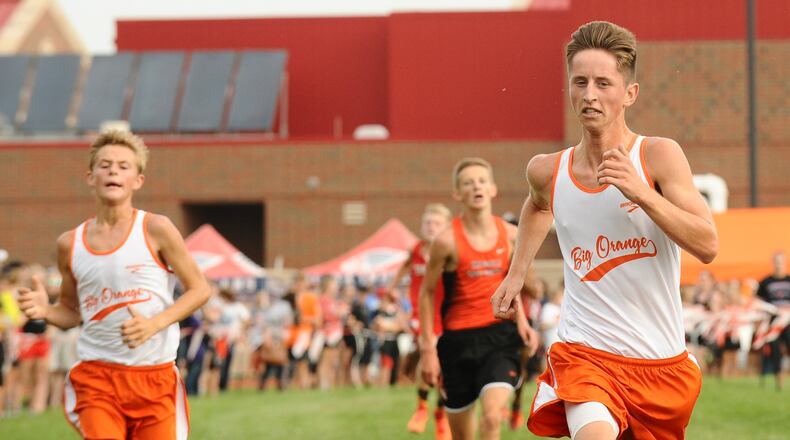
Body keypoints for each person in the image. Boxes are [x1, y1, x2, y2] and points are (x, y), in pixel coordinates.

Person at [491, 21, 719, 440]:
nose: (590, 94)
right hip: (585, 353)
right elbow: (539, 204)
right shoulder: (547, 170)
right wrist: (516, 272)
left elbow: (707, 244)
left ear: (629, 93)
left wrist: (642, 193)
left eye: (603, 83)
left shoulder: (659, 156)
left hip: (660, 366)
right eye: (580, 82)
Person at [18, 129, 211, 439]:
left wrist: (154, 324)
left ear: (137, 180)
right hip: (98, 378)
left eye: (123, 166)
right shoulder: (70, 244)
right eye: (105, 165)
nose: (113, 171)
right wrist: (46, 311)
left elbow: (200, 289)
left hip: (155, 377)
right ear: (90, 176)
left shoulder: (156, 228)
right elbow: (71, 312)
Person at [420, 157, 538, 440]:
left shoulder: (512, 236)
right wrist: (427, 347)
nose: (477, 187)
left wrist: (523, 320)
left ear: (493, 189)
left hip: (500, 336)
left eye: (482, 181)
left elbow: (517, 284)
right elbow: (427, 292)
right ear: (457, 194)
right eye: (468, 183)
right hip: (457, 341)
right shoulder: (445, 241)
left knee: (491, 415)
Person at [388, 203, 452, 438]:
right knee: (429, 356)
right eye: (427, 223)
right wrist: (392, 289)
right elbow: (404, 267)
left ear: (446, 227)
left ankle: (439, 414)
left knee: (446, 369)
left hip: (446, 315)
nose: (431, 227)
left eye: (437, 223)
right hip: (421, 314)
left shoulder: (449, 250)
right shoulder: (416, 250)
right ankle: (422, 409)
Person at [756, 251, 790, 390]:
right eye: (776, 262)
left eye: (781, 262)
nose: (778, 265)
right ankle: (778, 380)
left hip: (788, 321)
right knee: (775, 350)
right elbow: (758, 300)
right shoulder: (765, 282)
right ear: (773, 263)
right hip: (772, 322)